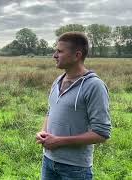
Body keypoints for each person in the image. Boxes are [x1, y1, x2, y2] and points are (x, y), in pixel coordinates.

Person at [36, 32, 111, 179]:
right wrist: (43, 132)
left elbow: (102, 133)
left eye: (60, 51)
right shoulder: (58, 81)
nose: (54, 55)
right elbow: (50, 111)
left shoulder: (94, 86)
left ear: (77, 55)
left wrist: (59, 141)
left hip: (75, 169)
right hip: (48, 162)